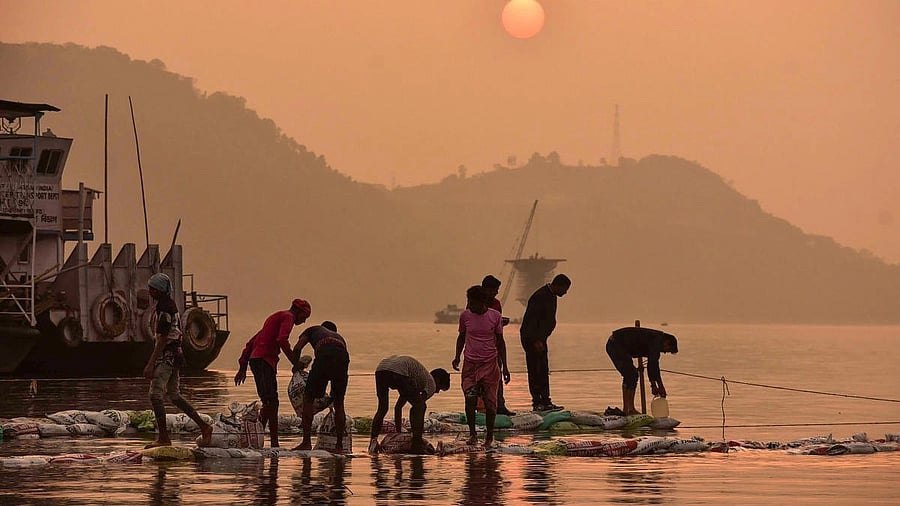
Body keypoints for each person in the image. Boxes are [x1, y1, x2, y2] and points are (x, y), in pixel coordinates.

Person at [143, 272, 213, 449]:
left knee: (155, 395)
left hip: (167, 356)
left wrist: (151, 364)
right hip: (176, 356)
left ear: (159, 290)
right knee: (174, 395)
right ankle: (204, 426)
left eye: (152, 288)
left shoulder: (165, 309)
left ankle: (164, 437)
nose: (149, 291)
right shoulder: (168, 306)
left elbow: (162, 339)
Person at [234, 298, 310, 447]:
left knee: (270, 402)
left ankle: (261, 437)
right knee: (271, 402)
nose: (304, 321)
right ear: (299, 311)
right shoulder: (288, 317)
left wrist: (243, 366)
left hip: (259, 361)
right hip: (264, 361)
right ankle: (271, 442)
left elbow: (251, 343)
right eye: (304, 317)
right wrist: (295, 362)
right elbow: (282, 340)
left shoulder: (274, 319)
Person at [452, 285, 510, 448]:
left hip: (490, 364)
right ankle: (472, 434)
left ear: (483, 302)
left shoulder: (495, 316)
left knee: (491, 403)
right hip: (470, 364)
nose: (470, 305)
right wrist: (457, 357)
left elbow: (500, 342)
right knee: (469, 399)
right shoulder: (465, 316)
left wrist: (505, 367)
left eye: (473, 302)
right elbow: (461, 337)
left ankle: (489, 437)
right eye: (468, 301)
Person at [367, 355, 451, 454]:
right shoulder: (431, 384)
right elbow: (418, 406)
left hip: (381, 369)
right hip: (398, 371)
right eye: (440, 388)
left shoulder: (415, 379)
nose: (437, 392)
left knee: (382, 408)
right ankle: (416, 444)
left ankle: (373, 442)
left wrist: (398, 433)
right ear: (437, 380)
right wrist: (417, 434)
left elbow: (398, 407)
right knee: (420, 406)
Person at [292, 320, 350, 453]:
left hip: (325, 355)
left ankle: (306, 443)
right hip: (342, 357)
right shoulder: (339, 337)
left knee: (308, 398)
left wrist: (295, 366)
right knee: (339, 402)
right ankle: (339, 446)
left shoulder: (313, 329)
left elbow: (297, 348)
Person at [520, 273, 571, 412]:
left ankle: (546, 400)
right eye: (565, 289)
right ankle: (537, 402)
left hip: (541, 338)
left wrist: (543, 338)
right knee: (535, 369)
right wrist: (535, 340)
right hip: (531, 338)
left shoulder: (552, 296)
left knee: (543, 369)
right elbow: (531, 321)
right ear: (558, 285)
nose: (565, 293)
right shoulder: (540, 296)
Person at [605, 325, 679, 415]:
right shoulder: (656, 341)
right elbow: (651, 365)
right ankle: (629, 409)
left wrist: (659, 385)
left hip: (619, 346)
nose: (664, 352)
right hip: (615, 344)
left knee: (630, 375)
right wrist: (654, 386)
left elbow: (655, 367)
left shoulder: (657, 341)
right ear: (667, 342)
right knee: (632, 375)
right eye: (667, 350)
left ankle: (626, 409)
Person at [481, 274, 514, 416]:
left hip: (495, 345)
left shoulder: (496, 304)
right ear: (486, 289)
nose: (496, 293)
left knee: (497, 377)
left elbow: (496, 323)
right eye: (494, 290)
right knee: (480, 379)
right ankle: (482, 407)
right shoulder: (476, 303)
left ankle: (500, 405)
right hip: (480, 347)